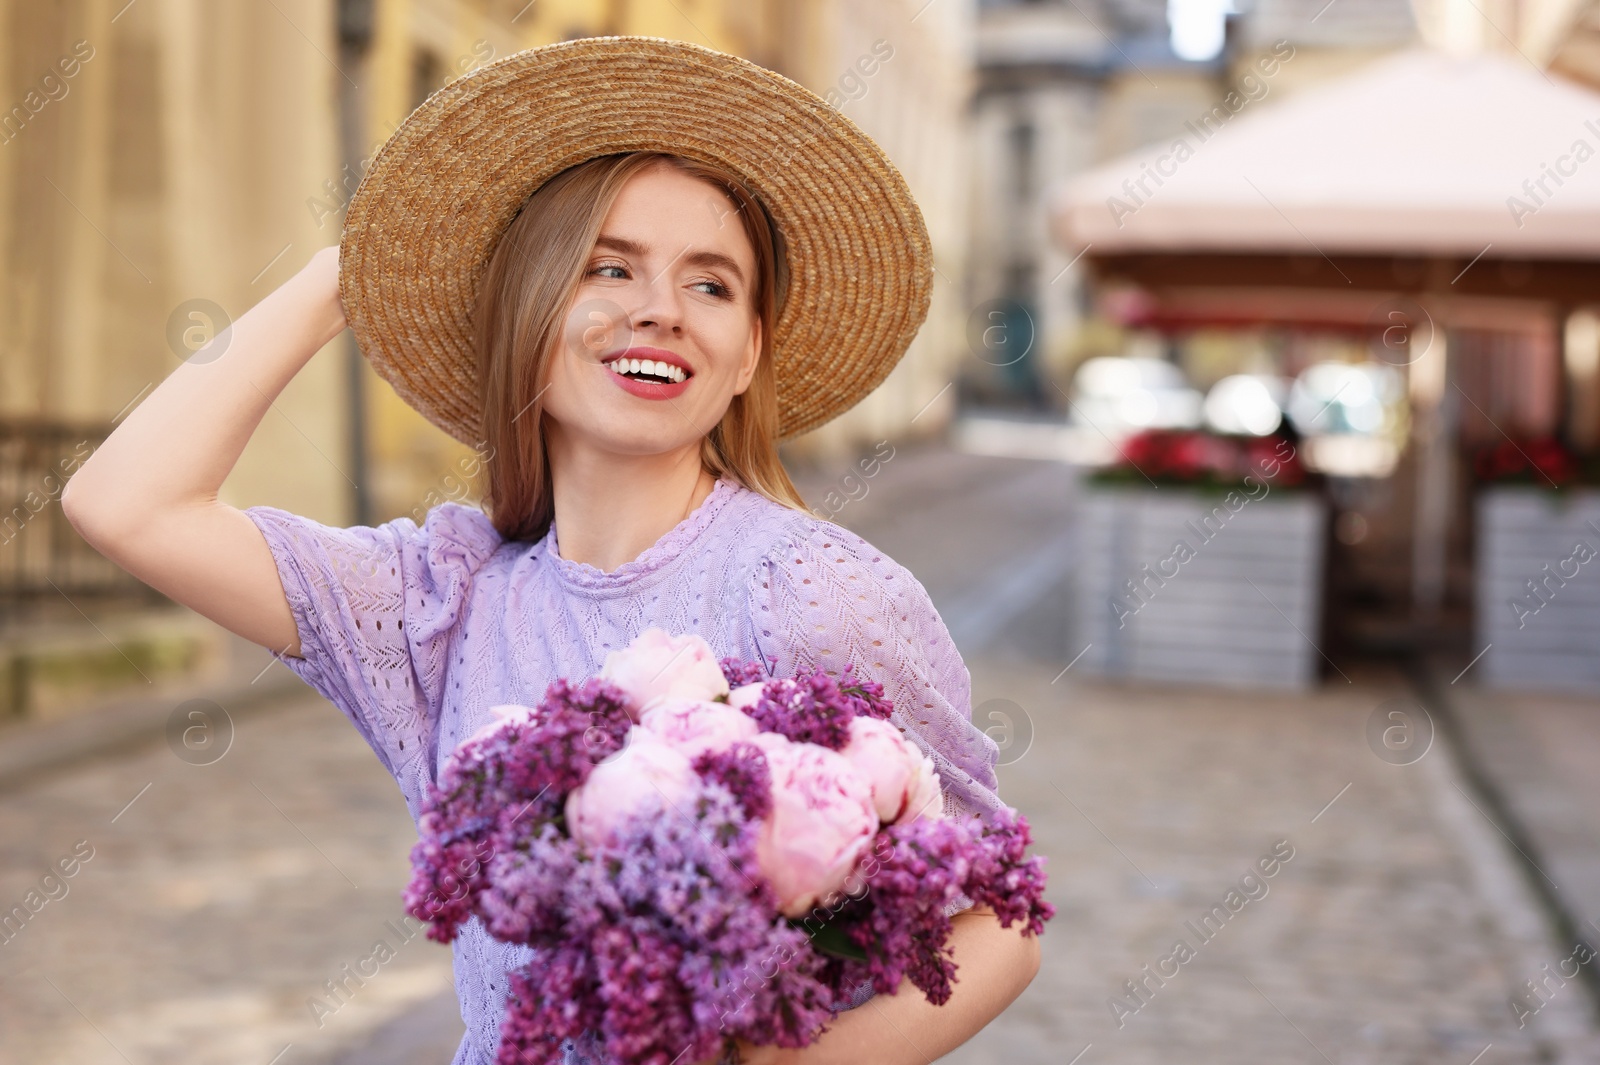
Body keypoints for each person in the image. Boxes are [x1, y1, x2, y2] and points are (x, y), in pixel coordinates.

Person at [63, 37, 1040, 1065]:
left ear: (749, 350)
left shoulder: (809, 590)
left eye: (711, 285)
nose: (660, 307)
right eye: (606, 268)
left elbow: (999, 922)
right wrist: (348, 270)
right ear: (527, 314)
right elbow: (127, 505)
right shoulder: (441, 605)